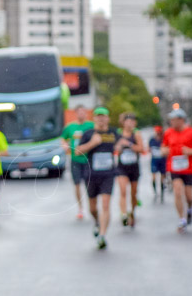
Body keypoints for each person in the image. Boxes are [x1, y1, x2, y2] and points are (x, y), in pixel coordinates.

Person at [75, 107, 119, 250]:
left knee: (106, 205)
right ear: (94, 118)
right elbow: (77, 151)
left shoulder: (113, 133)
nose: (101, 119)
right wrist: (92, 143)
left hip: (108, 175)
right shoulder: (88, 134)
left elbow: (122, 144)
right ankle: (97, 222)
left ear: (107, 118)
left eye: (103, 116)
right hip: (91, 175)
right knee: (93, 208)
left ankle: (102, 235)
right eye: (98, 116)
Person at [161, 108, 192, 233]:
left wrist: (190, 151)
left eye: (174, 119)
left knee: (189, 197)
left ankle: (189, 209)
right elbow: (163, 147)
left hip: (189, 169)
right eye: (171, 119)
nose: (171, 122)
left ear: (181, 120)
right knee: (177, 191)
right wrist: (164, 151)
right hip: (174, 168)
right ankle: (182, 219)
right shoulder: (168, 132)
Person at [61, 106, 95, 220]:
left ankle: (91, 206)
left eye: (83, 112)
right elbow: (63, 138)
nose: (82, 114)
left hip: (88, 160)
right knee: (77, 184)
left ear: (86, 113)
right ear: (76, 113)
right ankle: (80, 208)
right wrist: (65, 145)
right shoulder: (70, 127)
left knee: (88, 184)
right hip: (75, 159)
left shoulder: (91, 126)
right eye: (79, 112)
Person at [114, 112, 145, 229]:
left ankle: (132, 212)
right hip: (122, 167)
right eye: (127, 121)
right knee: (122, 191)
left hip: (134, 167)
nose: (130, 124)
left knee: (133, 193)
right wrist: (120, 147)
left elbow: (142, 149)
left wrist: (129, 145)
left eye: (132, 122)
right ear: (123, 123)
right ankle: (123, 215)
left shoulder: (136, 134)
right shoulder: (119, 134)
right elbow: (115, 148)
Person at [148, 124, 168, 202]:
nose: (157, 133)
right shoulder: (152, 140)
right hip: (154, 160)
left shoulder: (164, 139)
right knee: (154, 177)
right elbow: (149, 149)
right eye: (156, 131)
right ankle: (155, 192)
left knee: (162, 178)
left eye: (159, 131)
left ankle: (162, 194)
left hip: (163, 160)